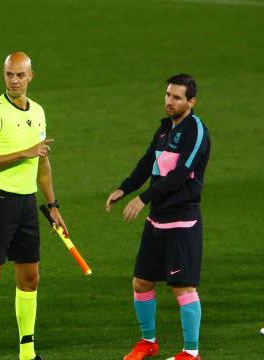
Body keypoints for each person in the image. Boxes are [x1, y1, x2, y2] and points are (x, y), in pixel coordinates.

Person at [0, 52, 67, 360]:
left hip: (26, 204)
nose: (14, 80)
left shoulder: (38, 112)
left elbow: (42, 162)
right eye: (9, 74)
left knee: (30, 277)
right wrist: (24, 152)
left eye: (20, 75)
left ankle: (27, 352)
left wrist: (52, 205)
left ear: (31, 76)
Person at [105, 74, 210, 360]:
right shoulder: (164, 130)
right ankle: (148, 342)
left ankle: (191, 352)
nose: (169, 101)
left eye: (176, 97)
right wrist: (125, 188)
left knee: (182, 287)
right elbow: (146, 163)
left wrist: (143, 198)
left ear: (191, 102)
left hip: (181, 222)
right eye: (167, 95)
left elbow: (179, 176)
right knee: (141, 282)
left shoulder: (195, 131)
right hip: (157, 221)